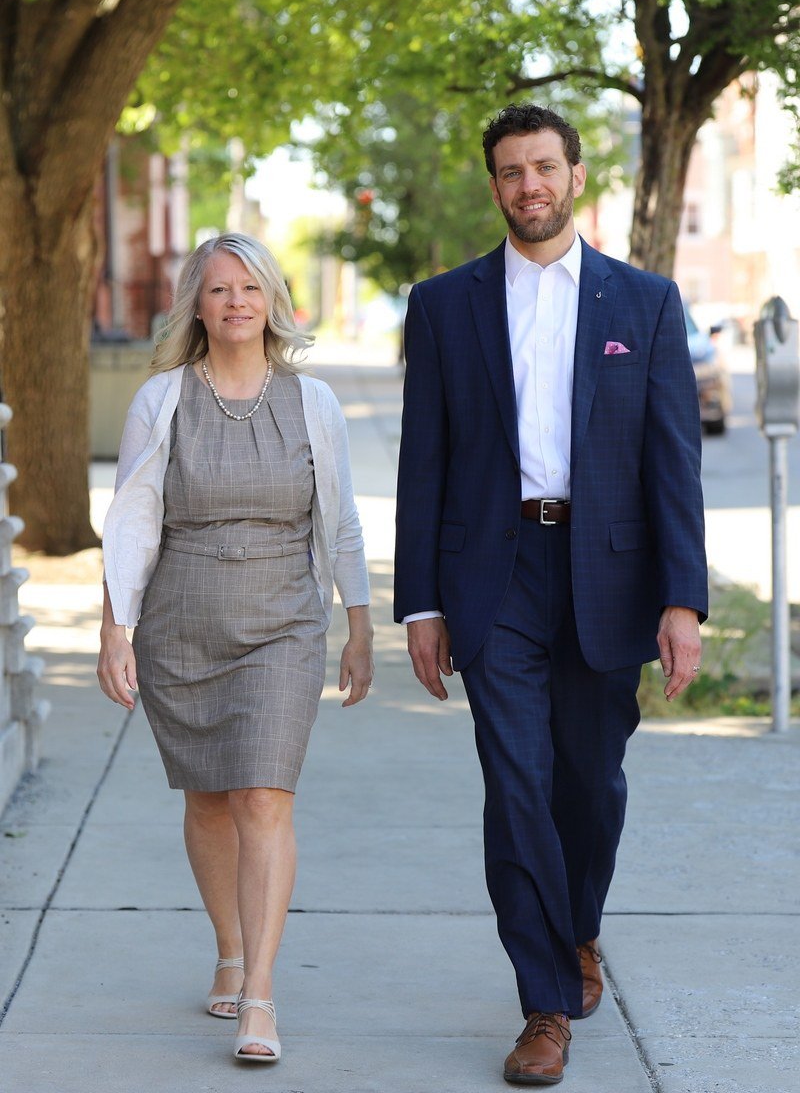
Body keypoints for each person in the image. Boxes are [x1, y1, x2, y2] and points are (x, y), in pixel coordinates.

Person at [394, 105, 707, 1086]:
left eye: (541, 168)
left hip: (607, 575)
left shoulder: (643, 303)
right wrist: (419, 604)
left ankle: (577, 930)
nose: (526, 186)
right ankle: (542, 1003)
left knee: (589, 784)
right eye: (508, 172)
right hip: (494, 578)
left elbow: (671, 461)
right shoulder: (443, 305)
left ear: (573, 177)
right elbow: (424, 461)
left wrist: (681, 600)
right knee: (515, 781)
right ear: (493, 186)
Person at [98, 232, 373, 1064]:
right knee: (209, 799)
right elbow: (134, 516)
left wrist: (360, 623)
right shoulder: (163, 398)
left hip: (284, 621)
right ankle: (227, 943)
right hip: (182, 618)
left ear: (274, 302)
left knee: (263, 796)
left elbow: (344, 520)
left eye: (249, 287)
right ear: (197, 306)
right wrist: (116, 622)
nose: (235, 302)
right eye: (218, 290)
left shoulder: (314, 402)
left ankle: (260, 993)